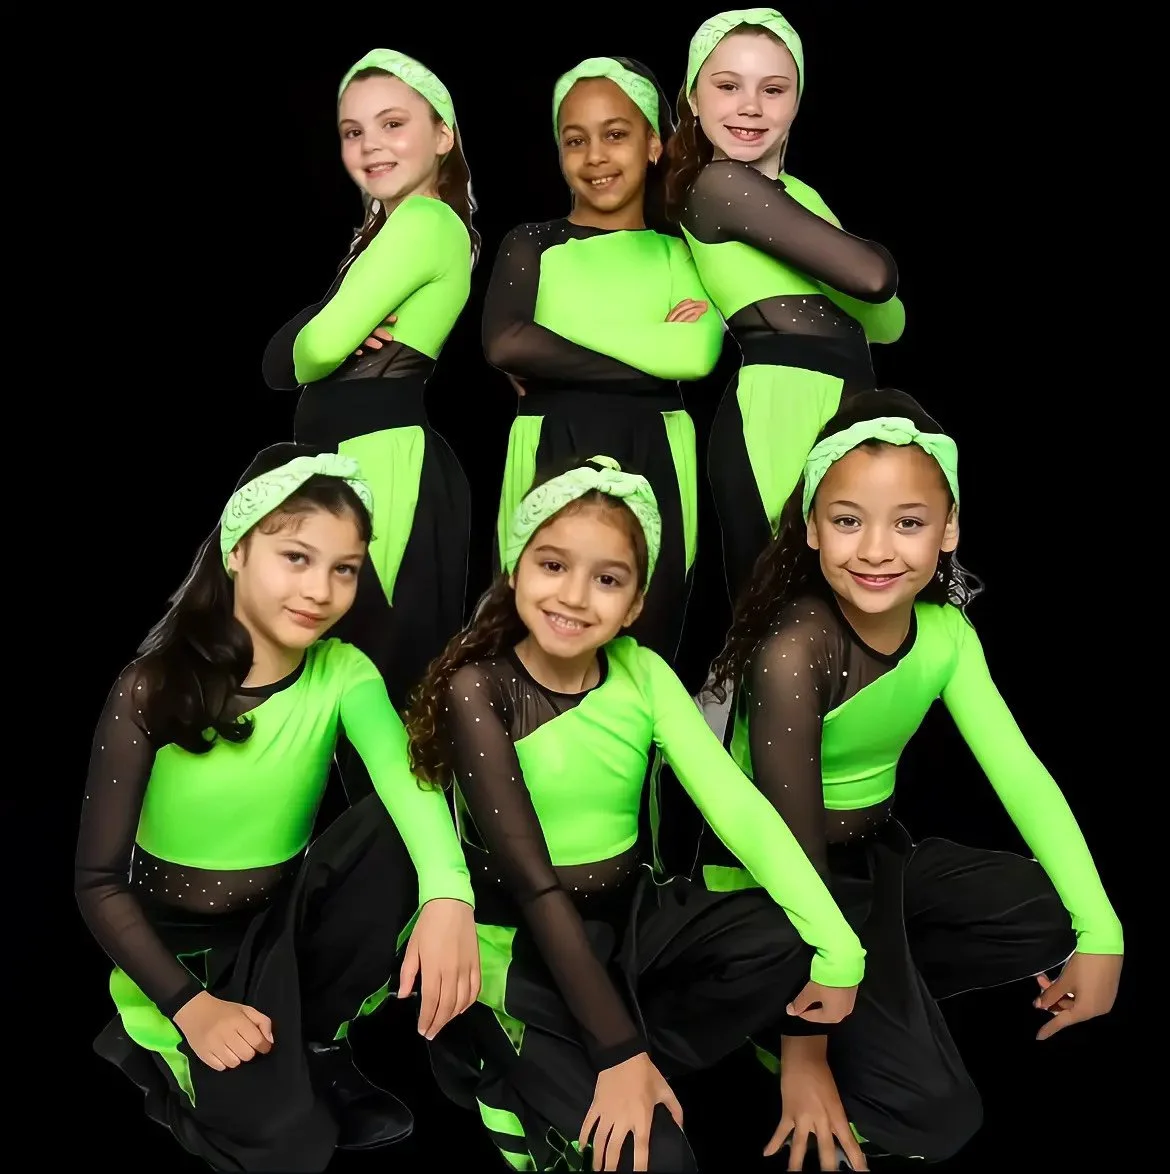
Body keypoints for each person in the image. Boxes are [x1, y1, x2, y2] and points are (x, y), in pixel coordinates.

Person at [688, 388, 1124, 1166]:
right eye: (849, 520)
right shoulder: (797, 648)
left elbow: (1021, 776)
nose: (878, 550)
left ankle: (875, 994)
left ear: (949, 529)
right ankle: (782, 1017)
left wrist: (1104, 932)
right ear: (814, 529)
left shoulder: (948, 633)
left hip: (873, 861)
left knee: (1049, 912)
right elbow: (791, 848)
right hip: (774, 888)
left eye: (910, 524)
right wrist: (806, 1059)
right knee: (936, 1119)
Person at [403, 455, 866, 1172]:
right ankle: (510, 1059)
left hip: (626, 920)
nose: (576, 597)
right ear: (517, 569)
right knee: (667, 1162)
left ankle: (601, 1046)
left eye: (608, 579)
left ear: (636, 603)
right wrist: (618, 1057)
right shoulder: (479, 689)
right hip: (524, 936)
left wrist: (840, 948)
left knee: (795, 934)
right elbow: (533, 883)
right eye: (553, 566)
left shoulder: (642, 672)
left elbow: (738, 806)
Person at [76, 442, 481, 1173]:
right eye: (296, 557)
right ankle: (153, 1047)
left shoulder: (343, 672)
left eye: (344, 569)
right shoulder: (149, 686)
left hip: (278, 923)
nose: (321, 590)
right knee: (293, 1147)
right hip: (183, 949)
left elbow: (409, 787)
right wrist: (191, 1007)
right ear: (237, 550)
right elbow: (98, 884)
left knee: (408, 831)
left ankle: (315, 1040)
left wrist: (449, 895)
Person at [261, 47, 478, 803]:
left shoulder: (424, 223)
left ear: (443, 134)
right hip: (346, 460)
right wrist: (322, 333)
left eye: (392, 124)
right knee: (344, 687)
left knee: (389, 694)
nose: (370, 146)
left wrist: (322, 334)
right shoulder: (379, 237)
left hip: (384, 465)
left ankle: (427, 896)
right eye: (353, 132)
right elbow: (279, 361)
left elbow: (312, 349)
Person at [481, 57, 725, 669]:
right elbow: (506, 344)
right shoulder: (531, 243)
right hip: (549, 442)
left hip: (658, 450)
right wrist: (652, 343)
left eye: (615, 134)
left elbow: (695, 356)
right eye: (575, 139)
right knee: (533, 635)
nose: (595, 155)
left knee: (645, 645)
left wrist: (554, 347)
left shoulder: (684, 251)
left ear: (652, 144)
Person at [664, 8, 904, 607]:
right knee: (785, 619)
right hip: (778, 405)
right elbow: (874, 278)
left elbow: (891, 325)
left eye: (774, 89)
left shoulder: (800, 195)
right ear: (693, 98)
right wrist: (847, 258)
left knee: (856, 610)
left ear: (797, 101)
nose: (751, 106)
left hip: (848, 399)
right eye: (727, 86)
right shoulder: (719, 184)